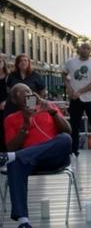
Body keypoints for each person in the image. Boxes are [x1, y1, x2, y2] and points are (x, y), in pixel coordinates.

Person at [2, 83, 72, 228]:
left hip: (54, 158)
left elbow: (68, 130)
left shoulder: (49, 106)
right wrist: (25, 126)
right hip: (31, 162)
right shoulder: (11, 119)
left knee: (65, 138)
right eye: (22, 94)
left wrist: (52, 112)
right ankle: (23, 221)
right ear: (15, 101)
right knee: (14, 163)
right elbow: (11, 147)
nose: (28, 95)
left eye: (28, 91)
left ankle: (17, 156)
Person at [62, 43, 91, 160]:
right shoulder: (70, 62)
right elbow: (64, 74)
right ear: (79, 49)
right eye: (83, 47)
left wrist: (80, 91)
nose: (85, 50)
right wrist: (69, 87)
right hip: (75, 99)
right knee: (74, 126)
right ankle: (74, 151)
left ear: (90, 50)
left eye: (87, 48)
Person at [0, 57, 9, 152]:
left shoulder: (9, 77)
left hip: (6, 108)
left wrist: (7, 101)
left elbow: (14, 93)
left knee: (5, 130)